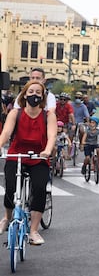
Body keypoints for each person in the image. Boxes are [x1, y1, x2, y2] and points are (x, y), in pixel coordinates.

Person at [0, 80, 57, 245]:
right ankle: (6, 218)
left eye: (38, 93)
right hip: (16, 155)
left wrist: (46, 151)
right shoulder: (15, 113)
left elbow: (52, 135)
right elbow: (6, 133)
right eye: (31, 91)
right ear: (24, 94)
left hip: (39, 157)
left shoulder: (48, 115)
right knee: (10, 187)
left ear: (43, 96)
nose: (34, 95)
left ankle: (33, 231)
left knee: (40, 188)